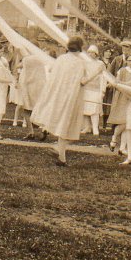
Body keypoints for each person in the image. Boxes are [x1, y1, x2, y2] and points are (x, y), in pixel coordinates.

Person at [31, 36, 91, 165]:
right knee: (68, 127)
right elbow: (82, 81)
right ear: (81, 47)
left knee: (62, 125)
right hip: (71, 97)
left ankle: (61, 157)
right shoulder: (79, 63)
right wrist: (97, 72)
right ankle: (59, 152)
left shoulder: (61, 59)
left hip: (58, 95)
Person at [107, 53, 131, 151]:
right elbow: (117, 83)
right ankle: (114, 138)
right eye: (130, 60)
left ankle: (122, 147)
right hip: (123, 98)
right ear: (127, 61)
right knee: (124, 122)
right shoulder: (122, 71)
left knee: (128, 124)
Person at [81, 44, 107, 136]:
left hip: (96, 90)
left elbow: (104, 78)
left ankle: (95, 128)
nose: (90, 54)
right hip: (85, 89)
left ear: (96, 54)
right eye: (89, 52)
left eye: (92, 53)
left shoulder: (101, 64)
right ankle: (87, 127)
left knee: (94, 110)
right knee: (84, 109)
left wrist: (102, 91)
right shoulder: (84, 63)